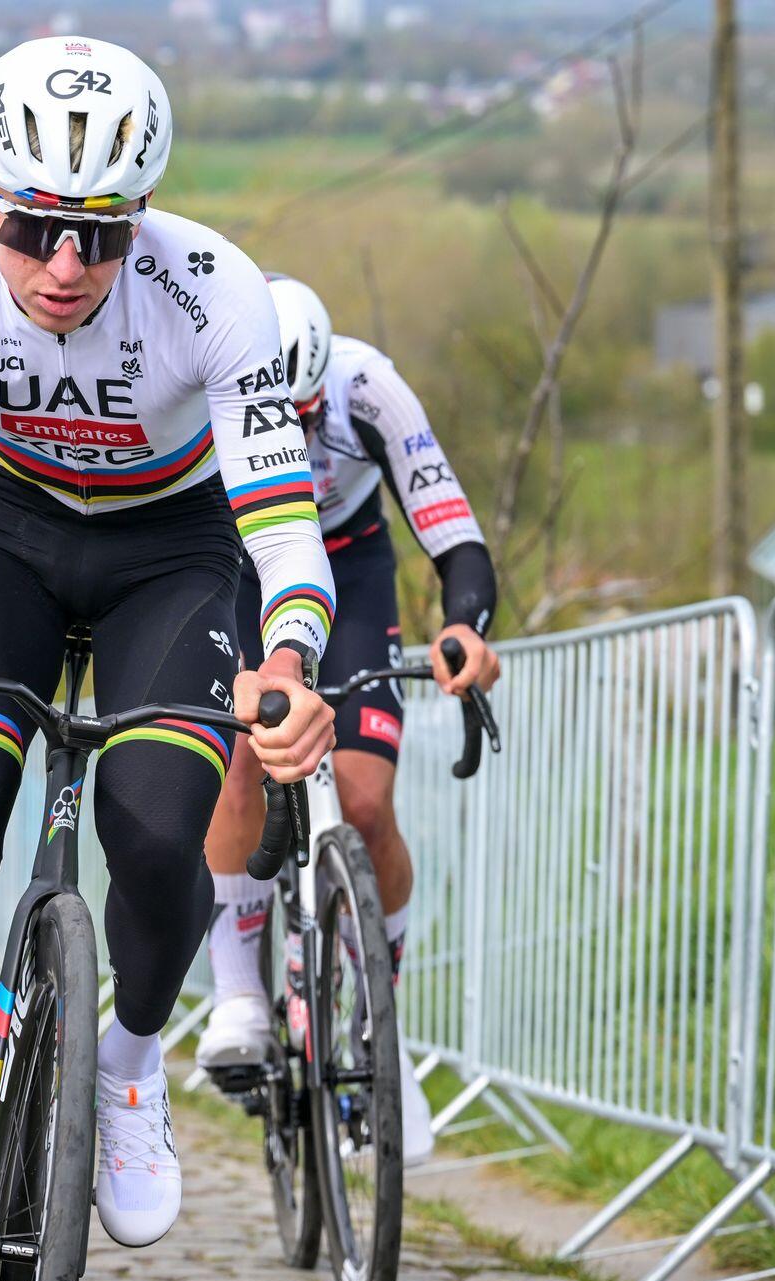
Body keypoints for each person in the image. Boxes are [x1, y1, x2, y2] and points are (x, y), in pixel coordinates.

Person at [0, 35, 337, 1281]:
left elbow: (284, 530)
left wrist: (290, 662)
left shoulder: (216, 292)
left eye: (102, 234)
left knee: (158, 828)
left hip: (172, 548)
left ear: (143, 215)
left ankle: (124, 1063)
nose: (65, 265)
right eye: (35, 228)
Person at [193, 276, 501, 1165]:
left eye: (307, 415)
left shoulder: (370, 388)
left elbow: (454, 533)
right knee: (241, 756)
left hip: (350, 564)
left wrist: (464, 628)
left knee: (365, 804)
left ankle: (381, 1028)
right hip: (242, 567)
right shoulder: (202, 386)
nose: (294, 437)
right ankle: (238, 995)